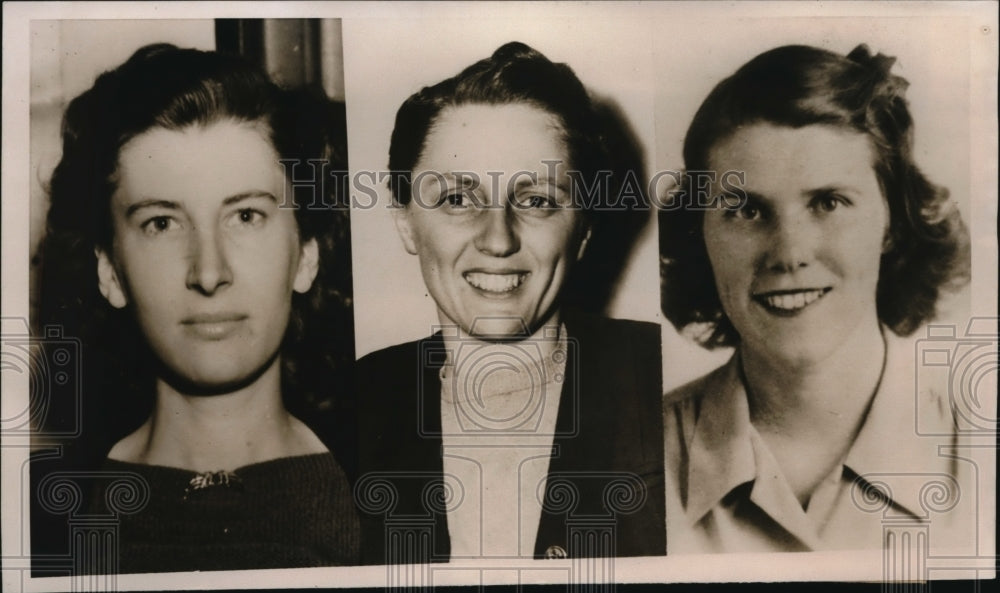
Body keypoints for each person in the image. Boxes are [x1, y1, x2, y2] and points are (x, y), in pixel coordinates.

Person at [32, 44, 358, 572]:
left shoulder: (398, 500)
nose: (209, 273)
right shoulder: (40, 523)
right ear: (109, 271)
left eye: (246, 216)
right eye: (161, 223)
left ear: (307, 255)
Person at [353, 42, 664, 564]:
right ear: (404, 220)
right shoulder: (352, 409)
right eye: (457, 199)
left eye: (536, 200)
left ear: (583, 228)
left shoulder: (663, 385)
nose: (497, 240)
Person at [660, 44, 974, 553]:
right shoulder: (627, 462)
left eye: (829, 202)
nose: (789, 253)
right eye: (745, 211)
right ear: (700, 234)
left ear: (892, 221)